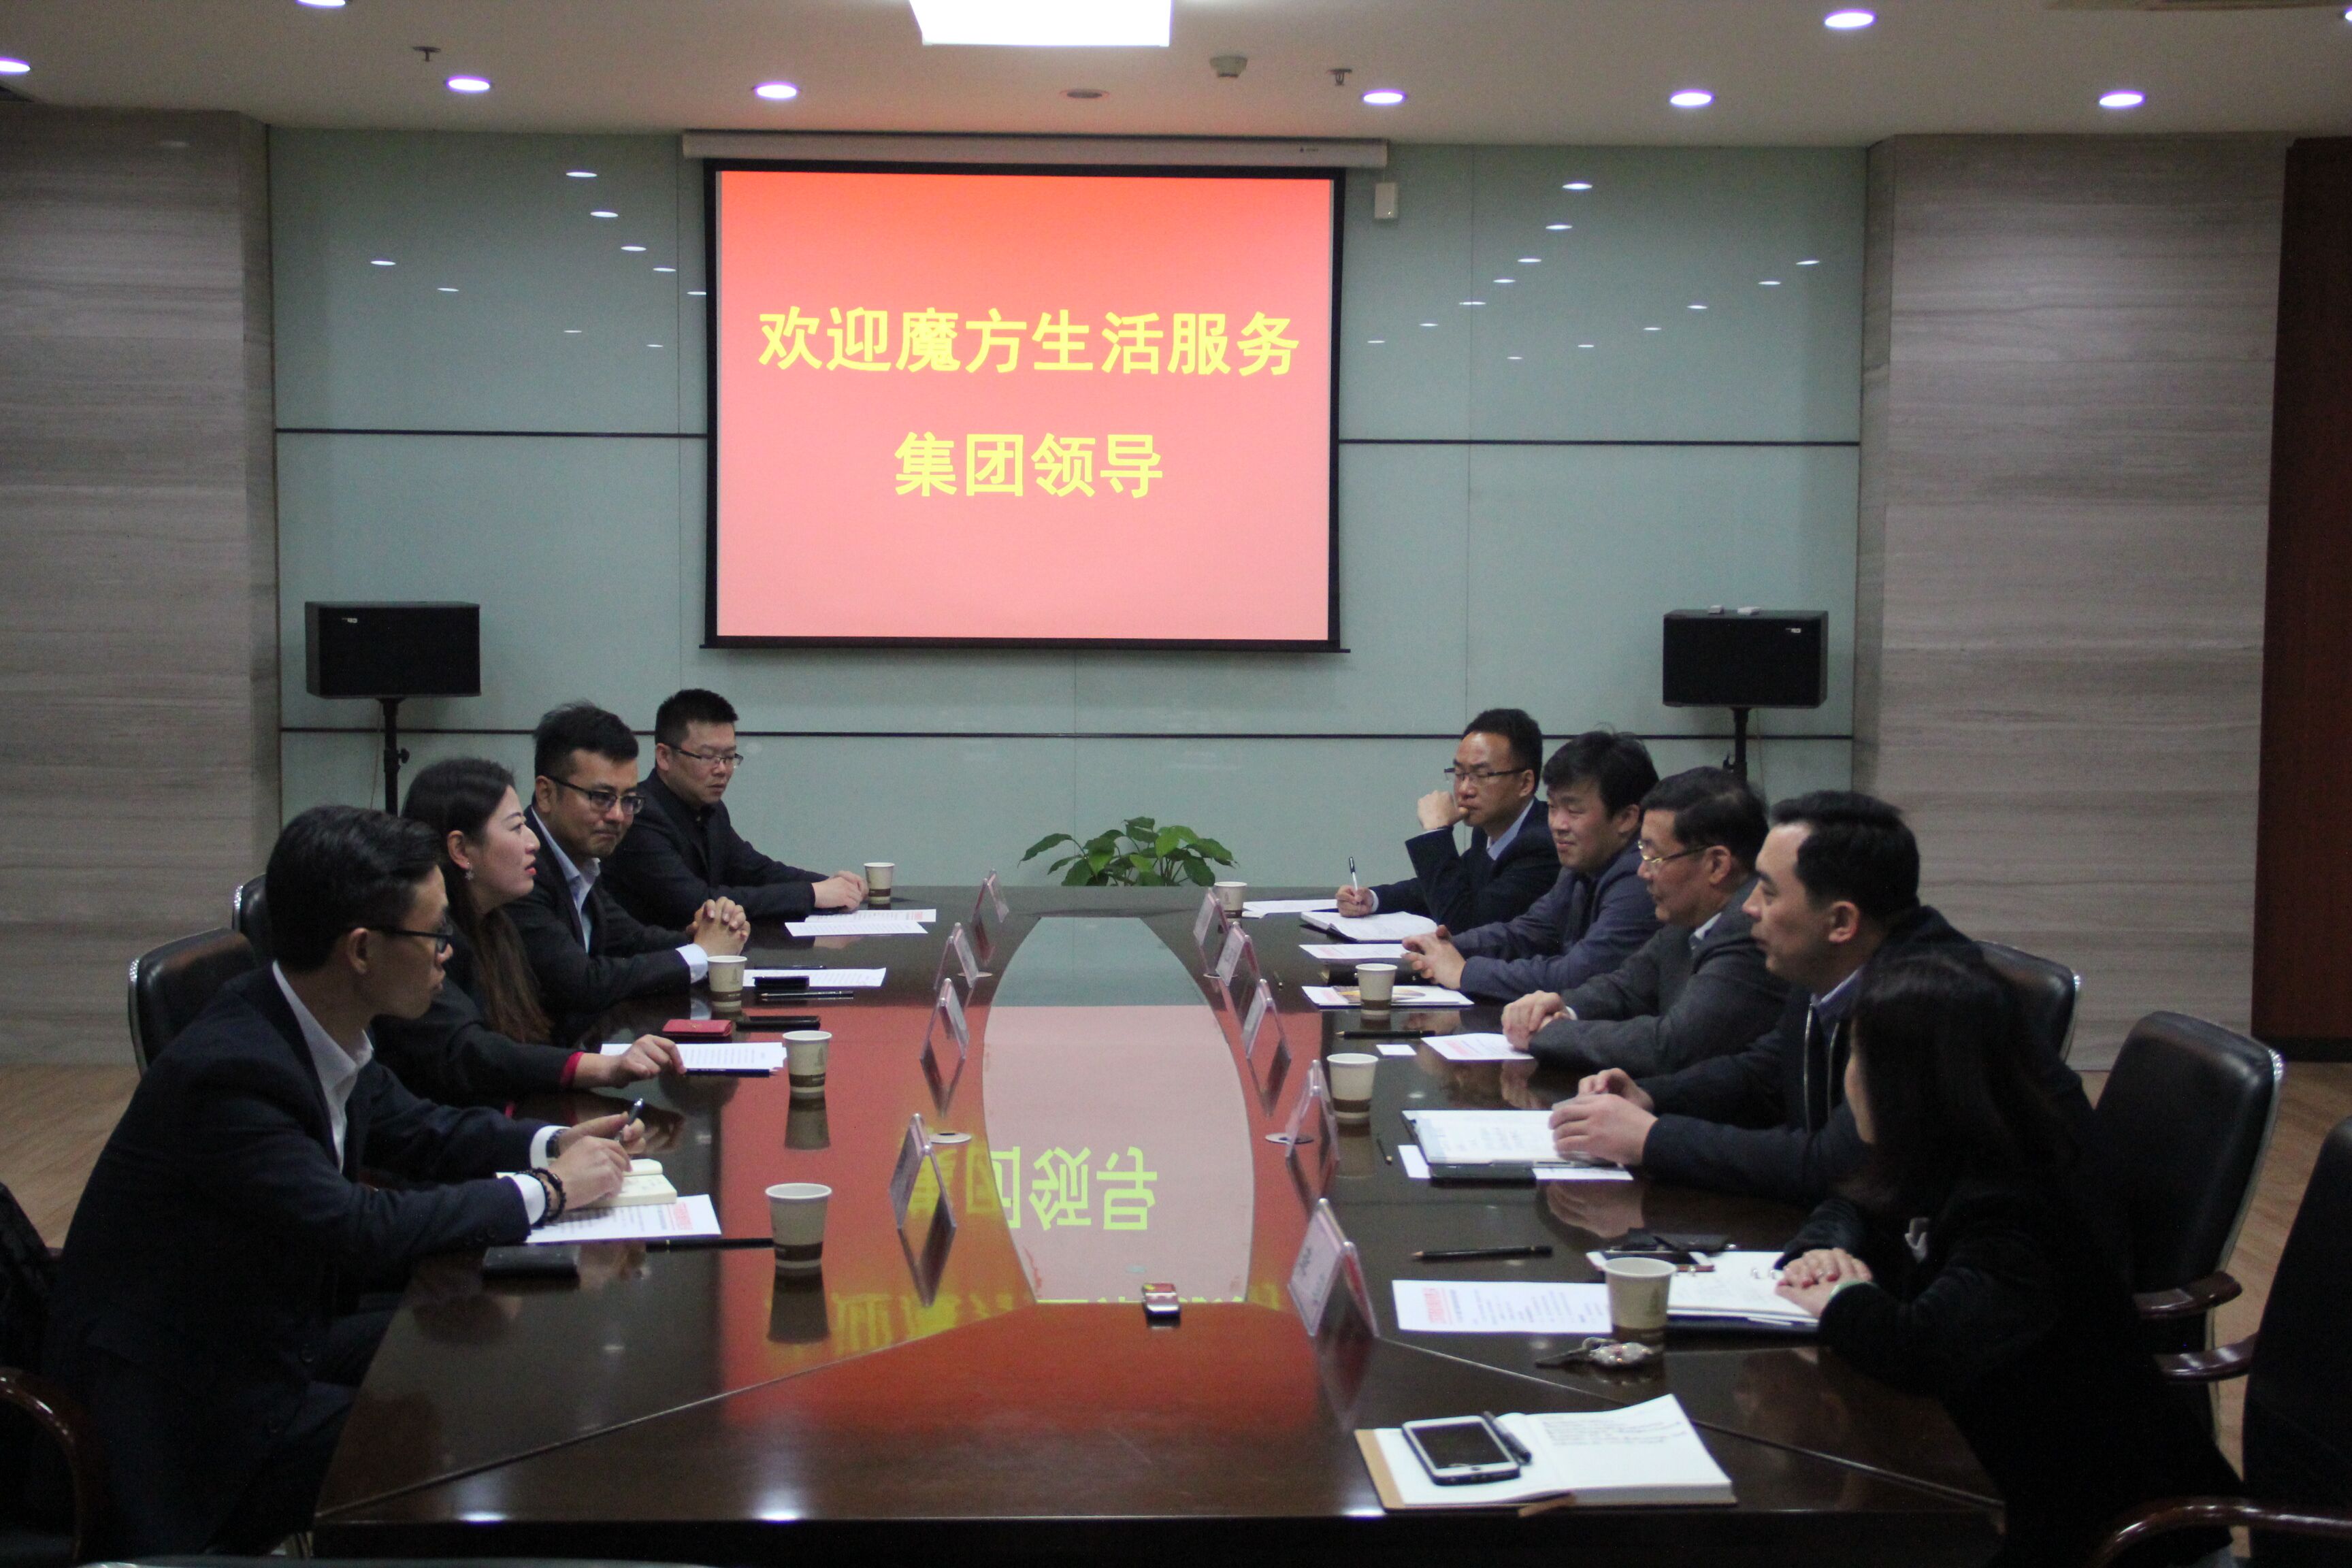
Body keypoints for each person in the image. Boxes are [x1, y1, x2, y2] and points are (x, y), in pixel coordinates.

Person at [43, 806, 643, 1554]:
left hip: (270, 1336)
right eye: (434, 935)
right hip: (191, 1413)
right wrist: (550, 1190)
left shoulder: (315, 1024)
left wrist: (554, 1140)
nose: (448, 955)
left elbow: (418, 1127)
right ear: (361, 949)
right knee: (471, 1438)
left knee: (497, 1358)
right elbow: (356, 1227)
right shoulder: (232, 1071)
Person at [1774, 953, 2237, 1568]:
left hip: (2114, 1530)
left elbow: (1922, 1349)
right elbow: (1853, 1199)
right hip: (2010, 1476)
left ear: (1910, 1081)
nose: (1848, 1078)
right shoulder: (1954, 1146)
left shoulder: (2016, 1200)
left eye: (1859, 1057)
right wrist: (1822, 1253)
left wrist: (1842, 1299)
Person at [1548, 791, 2100, 1211]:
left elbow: (1836, 1166)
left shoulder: (1921, 1002)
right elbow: (1767, 1071)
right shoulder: (1833, 962)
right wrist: (1650, 1096)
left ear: (1840, 921)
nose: (1748, 909)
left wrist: (1654, 1140)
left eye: (1768, 891)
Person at [374, 757, 680, 1106]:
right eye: (517, 827)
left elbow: (542, 1027)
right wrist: (601, 1066)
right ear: (460, 849)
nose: (533, 841)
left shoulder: (497, 925)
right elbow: (472, 1052)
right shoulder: (426, 943)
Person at [1498, 767, 1787, 1078]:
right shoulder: (1686, 919)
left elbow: (1671, 1045)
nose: (1642, 872)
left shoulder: (1751, 929)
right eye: (1642, 852)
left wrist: (1550, 1033)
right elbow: (1625, 988)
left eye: (1654, 857)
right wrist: (1559, 1007)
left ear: (1716, 865)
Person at [509, 702, 749, 1048]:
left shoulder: (582, 861)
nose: (618, 816)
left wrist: (706, 937)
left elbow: (631, 940)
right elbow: (583, 984)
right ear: (546, 794)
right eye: (601, 798)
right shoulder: (521, 870)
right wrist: (701, 954)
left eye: (628, 800)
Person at [1404, 730, 1660, 1002]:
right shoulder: (1583, 863)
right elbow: (1529, 931)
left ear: (1626, 818)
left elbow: (1577, 975)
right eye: (1553, 807)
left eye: (1573, 811)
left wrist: (1464, 972)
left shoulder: (1642, 876)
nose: (1558, 825)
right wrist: (1448, 945)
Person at [602, 687, 868, 927]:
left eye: (729, 757)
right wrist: (811, 894)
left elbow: (756, 871)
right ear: (664, 756)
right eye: (708, 757)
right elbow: (698, 903)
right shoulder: (638, 815)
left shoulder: (711, 811)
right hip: (654, 958)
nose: (722, 770)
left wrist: (830, 884)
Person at [1331, 708, 1558, 931]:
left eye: (1481, 775)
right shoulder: (1487, 830)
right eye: (1460, 774)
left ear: (1525, 783)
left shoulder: (1544, 845)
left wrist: (1437, 833)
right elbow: (1450, 886)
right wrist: (1372, 899)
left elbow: (1464, 926)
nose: (1465, 790)